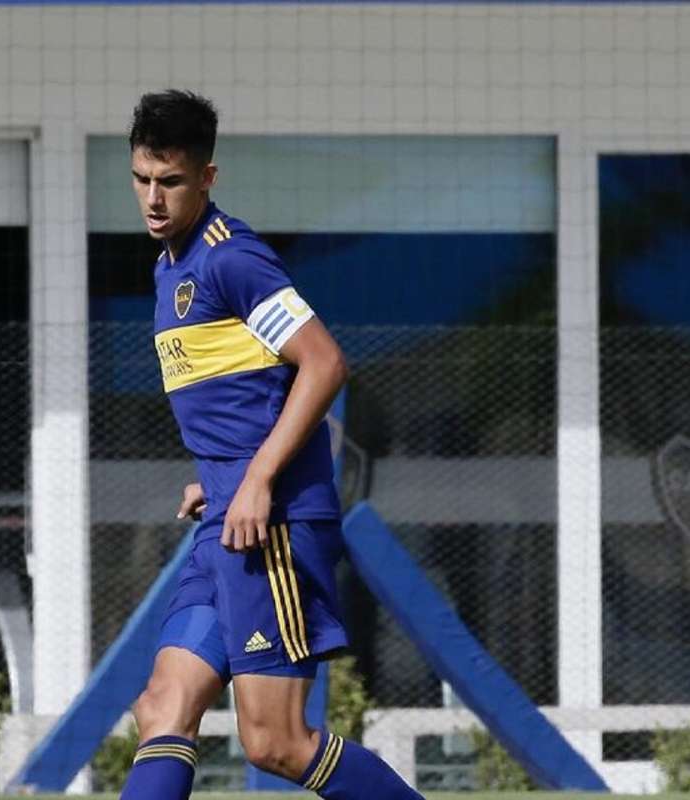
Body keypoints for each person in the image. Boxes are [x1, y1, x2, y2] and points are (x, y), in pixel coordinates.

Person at [119, 89, 423, 800]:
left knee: (277, 745)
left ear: (207, 178)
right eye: (141, 179)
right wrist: (221, 478)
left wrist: (256, 479)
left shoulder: (234, 259)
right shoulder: (169, 266)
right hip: (225, 520)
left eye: (171, 181)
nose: (153, 198)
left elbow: (323, 362)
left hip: (272, 526)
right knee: (162, 705)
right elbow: (247, 392)